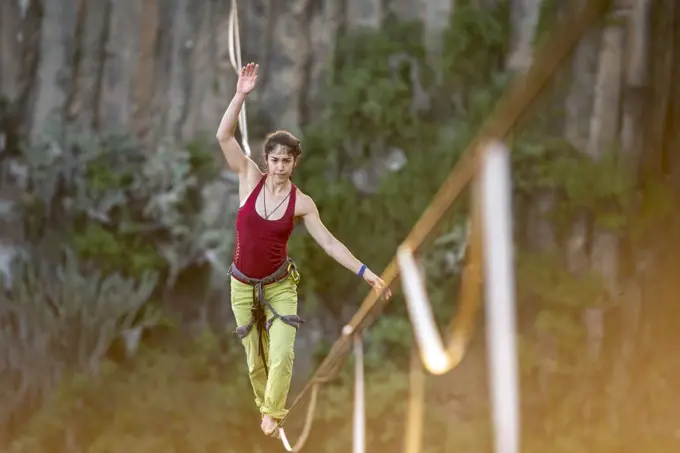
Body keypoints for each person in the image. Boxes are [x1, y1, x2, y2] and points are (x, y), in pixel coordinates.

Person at [216, 62, 392, 437]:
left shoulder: (302, 203)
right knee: (254, 357)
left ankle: (272, 412)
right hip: (242, 284)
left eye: (286, 161)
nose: (280, 167)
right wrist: (241, 95)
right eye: (275, 160)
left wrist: (366, 273)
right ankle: (266, 404)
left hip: (280, 285)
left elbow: (328, 243)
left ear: (295, 163)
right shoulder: (249, 178)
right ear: (267, 160)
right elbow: (223, 136)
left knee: (281, 353)